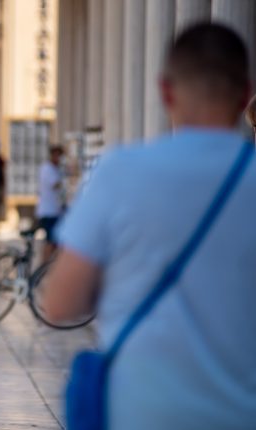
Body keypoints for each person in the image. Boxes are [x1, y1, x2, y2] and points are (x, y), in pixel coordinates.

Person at [43, 23, 256, 429]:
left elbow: (60, 304)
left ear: (165, 92)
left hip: (139, 410)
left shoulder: (120, 172)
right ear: (247, 94)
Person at [36, 144, 65, 263]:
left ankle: (48, 265)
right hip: (48, 211)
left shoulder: (56, 169)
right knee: (50, 241)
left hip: (55, 211)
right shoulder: (47, 169)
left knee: (55, 242)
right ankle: (43, 266)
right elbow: (55, 185)